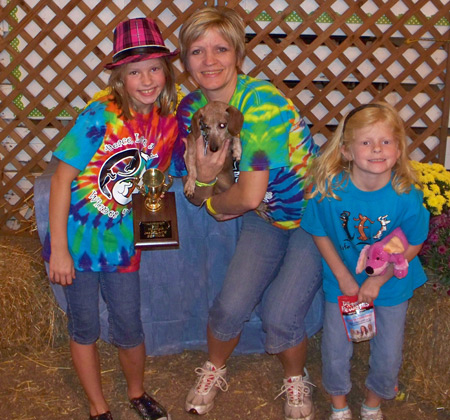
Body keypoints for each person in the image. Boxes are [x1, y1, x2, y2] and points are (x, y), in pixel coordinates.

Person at [169, 7, 323, 420]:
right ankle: (213, 368)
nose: (209, 61)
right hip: (268, 220)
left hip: (313, 218)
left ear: (238, 53)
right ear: (185, 60)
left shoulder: (261, 105)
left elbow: (248, 196)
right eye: (197, 51)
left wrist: (216, 206)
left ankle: (295, 379)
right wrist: (204, 186)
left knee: (281, 314)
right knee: (229, 305)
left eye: (220, 48)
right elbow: (196, 184)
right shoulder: (191, 110)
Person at [42, 17, 178, 420]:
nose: (147, 79)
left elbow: (156, 175)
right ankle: (97, 406)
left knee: (129, 324)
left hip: (121, 245)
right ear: (119, 76)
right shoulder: (98, 115)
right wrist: (60, 250)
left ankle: (137, 393)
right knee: (84, 326)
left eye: (154, 68)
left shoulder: (167, 124)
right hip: (77, 246)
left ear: (166, 71)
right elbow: (61, 180)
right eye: (134, 71)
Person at [300, 102, 430, 420]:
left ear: (398, 150)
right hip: (341, 284)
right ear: (346, 150)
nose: (376, 149)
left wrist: (378, 279)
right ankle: (339, 406)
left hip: (390, 286)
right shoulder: (329, 191)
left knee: (387, 353)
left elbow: (414, 243)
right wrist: (343, 276)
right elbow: (319, 233)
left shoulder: (406, 195)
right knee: (334, 350)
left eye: (386, 141)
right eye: (366, 142)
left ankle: (373, 404)